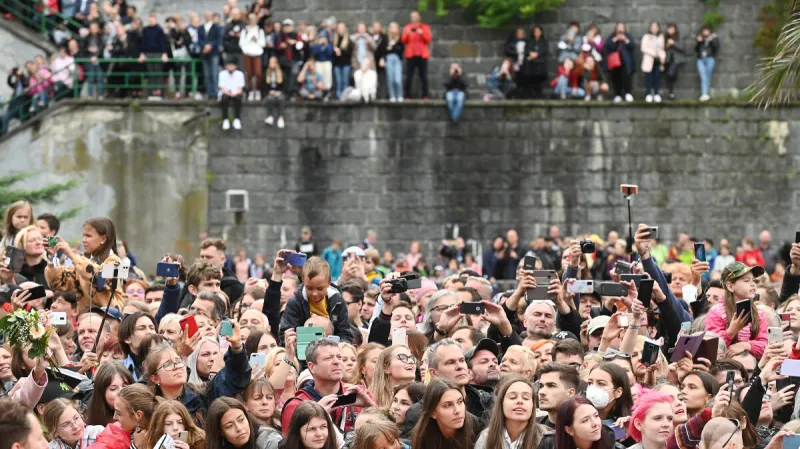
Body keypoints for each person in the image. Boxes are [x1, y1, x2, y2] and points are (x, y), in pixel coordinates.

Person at [142, 320, 251, 421]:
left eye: (178, 361)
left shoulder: (203, 396)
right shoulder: (149, 409)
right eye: (168, 364)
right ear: (154, 378)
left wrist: (237, 347)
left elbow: (236, 378)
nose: (177, 366)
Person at [280, 338, 374, 433]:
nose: (337, 361)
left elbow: (382, 433)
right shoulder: (297, 406)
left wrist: (370, 406)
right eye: (328, 358)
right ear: (312, 367)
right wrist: (315, 415)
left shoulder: (359, 394)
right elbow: (290, 440)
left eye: (339, 357)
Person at [46, 217, 124, 311]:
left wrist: (71, 255)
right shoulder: (83, 263)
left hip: (108, 318)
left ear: (103, 239)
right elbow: (58, 284)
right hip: (84, 318)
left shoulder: (117, 263)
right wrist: (51, 258)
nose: (83, 240)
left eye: (88, 236)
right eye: (83, 235)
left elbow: (100, 279)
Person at [278, 256, 353, 342]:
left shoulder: (337, 302)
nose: (314, 294)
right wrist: (293, 342)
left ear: (329, 282)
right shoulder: (295, 303)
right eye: (309, 288)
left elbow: (345, 334)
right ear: (303, 281)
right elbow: (284, 334)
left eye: (320, 289)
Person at [704, 262, 768, 359]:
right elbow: (711, 347)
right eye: (746, 280)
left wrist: (745, 345)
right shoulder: (716, 312)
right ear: (730, 286)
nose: (753, 284)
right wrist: (730, 332)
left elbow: (765, 346)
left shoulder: (759, 313)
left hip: (751, 364)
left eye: (754, 280)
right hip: (724, 364)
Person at [475, 375, 545, 449]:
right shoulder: (486, 437)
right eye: (513, 397)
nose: (520, 401)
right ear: (501, 403)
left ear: (533, 405)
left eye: (526, 398)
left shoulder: (545, 437)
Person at [411, 379, 474, 449]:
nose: (457, 410)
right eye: (447, 405)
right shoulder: (423, 437)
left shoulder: (476, 430)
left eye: (460, 401)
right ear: (433, 413)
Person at [205, 397, 282, 449]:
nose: (239, 428)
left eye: (241, 420)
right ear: (220, 432)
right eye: (230, 426)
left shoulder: (269, 440)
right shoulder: (219, 445)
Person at [86, 361, 135, 426]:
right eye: (113, 389)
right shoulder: (93, 427)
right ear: (102, 393)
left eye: (124, 386)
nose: (121, 392)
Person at [538, 363, 580, 429]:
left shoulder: (584, 429)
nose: (542, 392)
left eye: (551, 386)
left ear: (570, 393)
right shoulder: (531, 429)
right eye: (541, 386)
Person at [402, 11, 431, 100]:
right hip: (411, 55)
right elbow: (403, 40)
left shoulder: (425, 27)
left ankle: (425, 95)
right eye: (412, 17)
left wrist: (422, 33)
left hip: (422, 55)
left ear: (419, 17)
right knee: (409, 76)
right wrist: (407, 34)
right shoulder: (407, 27)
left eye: (415, 16)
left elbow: (428, 39)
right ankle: (407, 95)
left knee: (424, 76)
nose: (414, 18)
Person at [604, 22, 636, 102]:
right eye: (619, 27)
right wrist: (615, 39)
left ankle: (628, 93)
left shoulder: (627, 36)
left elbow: (632, 46)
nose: (620, 29)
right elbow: (607, 45)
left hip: (625, 61)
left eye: (622, 27)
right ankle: (617, 94)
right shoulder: (612, 36)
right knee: (616, 78)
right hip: (615, 61)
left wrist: (625, 40)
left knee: (627, 78)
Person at [199, 11, 223, 99]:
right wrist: (204, 46)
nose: (207, 17)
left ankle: (215, 92)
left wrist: (210, 45)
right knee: (207, 74)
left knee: (214, 74)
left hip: (214, 53)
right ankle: (209, 93)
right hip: (204, 54)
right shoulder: (201, 28)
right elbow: (199, 39)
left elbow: (218, 39)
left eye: (209, 16)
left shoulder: (216, 27)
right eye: (206, 16)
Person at [641, 21, 665, 103]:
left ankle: (656, 93)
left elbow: (662, 49)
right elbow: (643, 48)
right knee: (648, 77)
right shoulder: (646, 36)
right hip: (649, 60)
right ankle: (648, 94)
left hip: (657, 60)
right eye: (653, 27)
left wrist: (662, 57)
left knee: (657, 77)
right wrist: (653, 53)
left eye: (656, 27)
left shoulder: (661, 37)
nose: (654, 28)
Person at [219, 59, 245, 131]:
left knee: (239, 98)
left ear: (235, 66)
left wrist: (235, 93)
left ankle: (237, 119)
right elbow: (222, 88)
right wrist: (229, 93)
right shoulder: (222, 74)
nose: (230, 67)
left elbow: (240, 88)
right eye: (228, 65)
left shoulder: (240, 74)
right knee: (224, 98)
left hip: (236, 93)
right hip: (226, 93)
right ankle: (225, 119)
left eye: (232, 65)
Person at [695, 26, 719, 102]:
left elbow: (716, 48)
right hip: (700, 59)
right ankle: (704, 94)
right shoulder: (700, 38)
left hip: (710, 59)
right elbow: (696, 49)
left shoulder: (713, 38)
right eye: (704, 31)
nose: (705, 32)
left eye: (707, 31)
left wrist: (711, 40)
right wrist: (699, 42)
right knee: (703, 76)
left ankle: (705, 93)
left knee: (708, 76)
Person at [664, 24, 685, 100]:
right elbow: (663, 48)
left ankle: (671, 92)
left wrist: (673, 43)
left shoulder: (679, 37)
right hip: (667, 59)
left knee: (671, 74)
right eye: (669, 29)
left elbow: (682, 47)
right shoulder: (665, 37)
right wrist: (667, 46)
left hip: (676, 59)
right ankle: (671, 93)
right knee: (668, 75)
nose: (670, 31)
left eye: (672, 29)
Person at [384, 22, 404, 102]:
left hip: (397, 59)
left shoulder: (400, 38)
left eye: (395, 27)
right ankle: (392, 95)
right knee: (390, 78)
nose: (393, 29)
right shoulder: (386, 38)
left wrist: (392, 47)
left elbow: (401, 49)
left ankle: (399, 95)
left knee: (397, 79)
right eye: (392, 27)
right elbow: (384, 50)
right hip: (389, 59)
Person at [332, 22, 353, 99]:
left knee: (345, 82)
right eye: (339, 28)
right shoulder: (335, 40)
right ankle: (338, 97)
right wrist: (334, 51)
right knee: (338, 82)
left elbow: (350, 52)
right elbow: (331, 53)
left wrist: (340, 51)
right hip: (337, 65)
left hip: (346, 65)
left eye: (342, 28)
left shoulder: (348, 40)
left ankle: (344, 97)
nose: (341, 30)